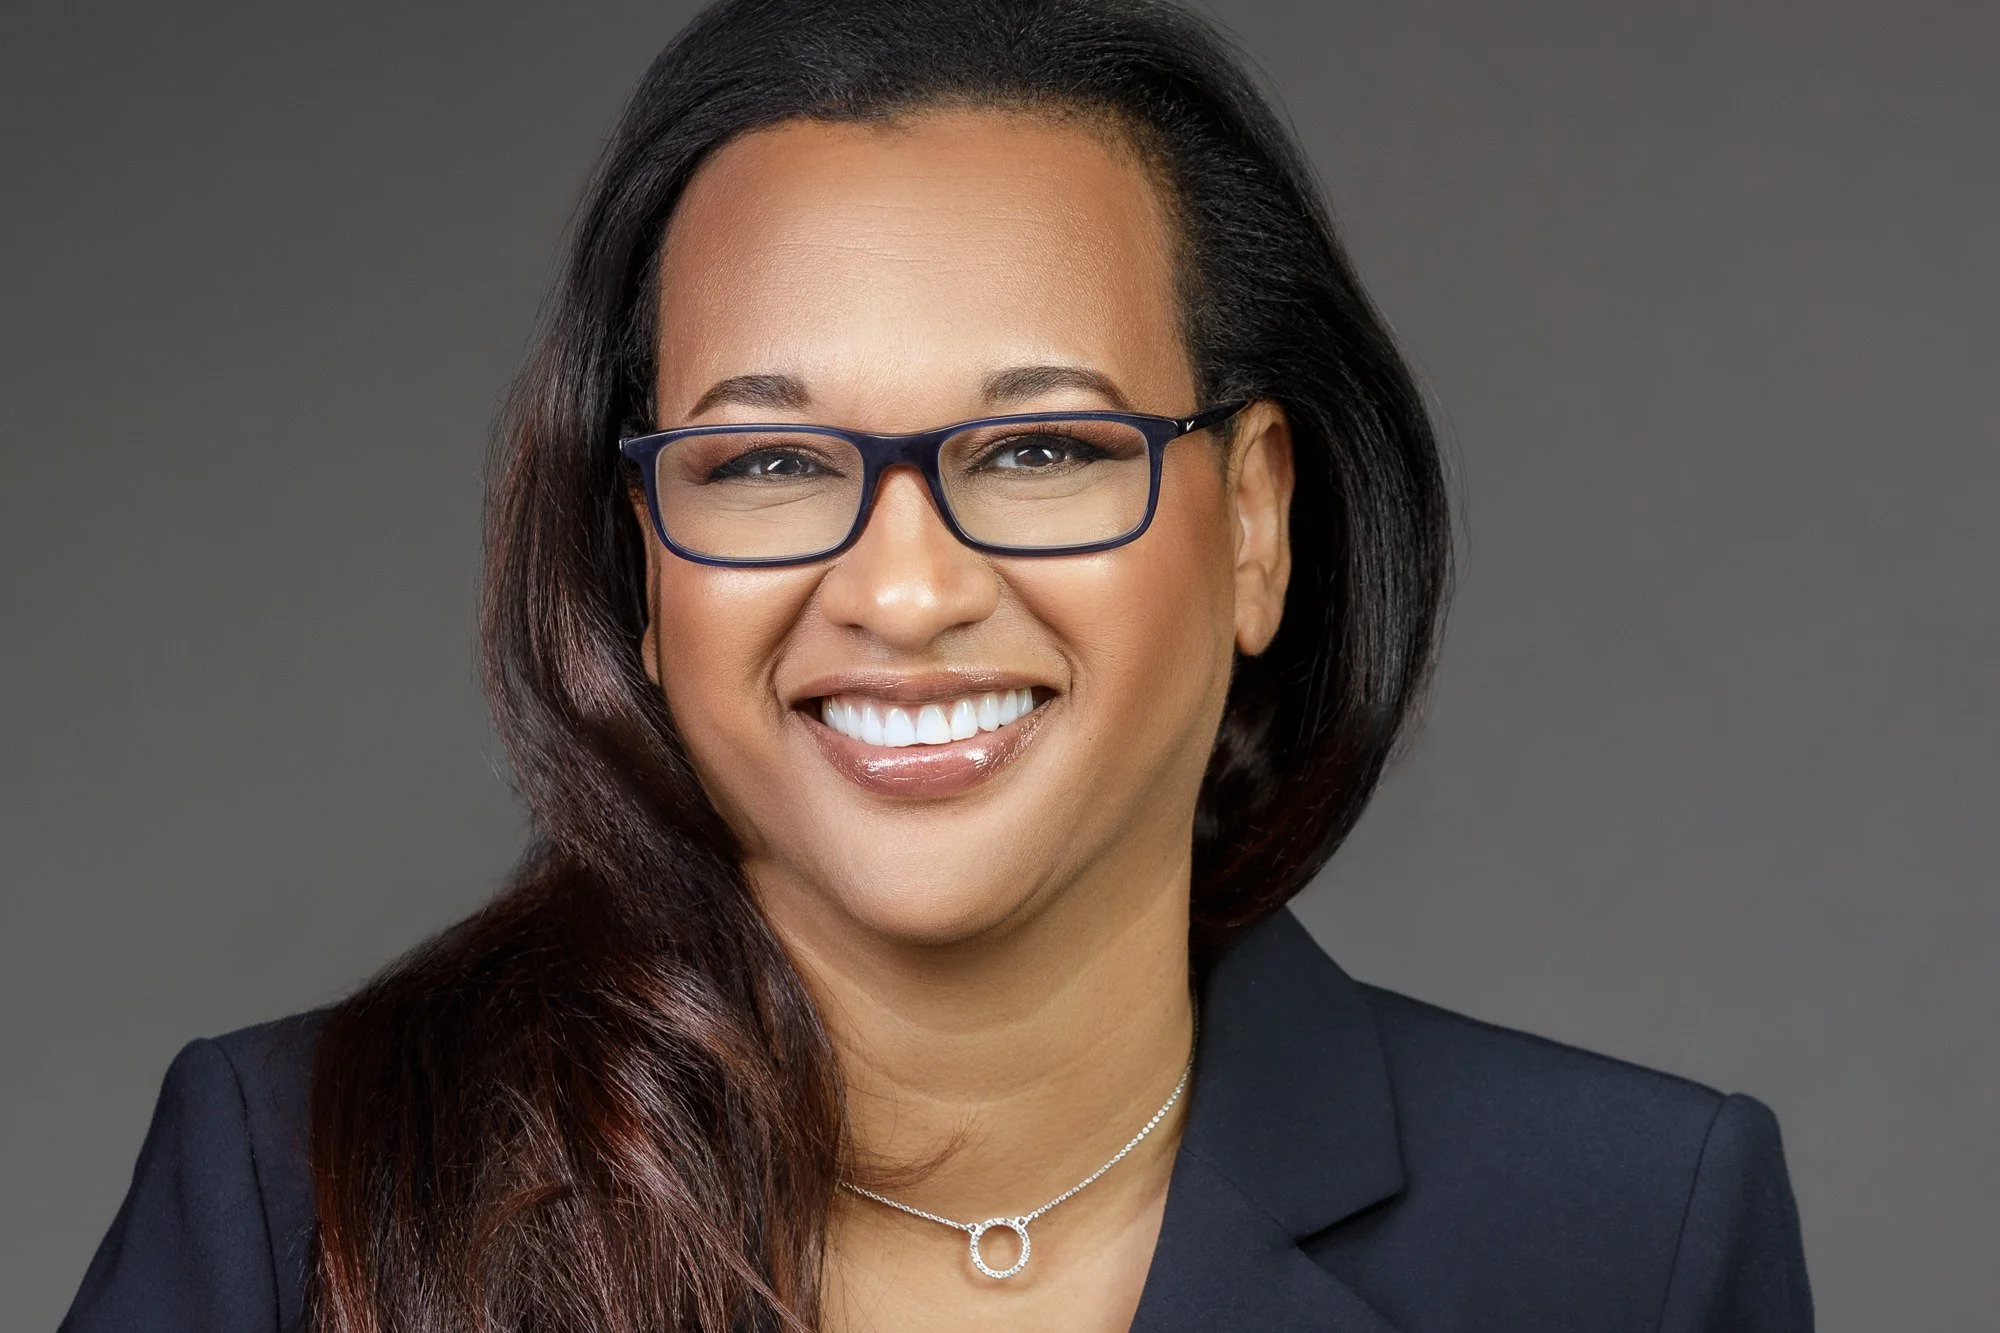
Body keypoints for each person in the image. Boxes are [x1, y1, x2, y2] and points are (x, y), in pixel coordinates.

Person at [61, 1, 1813, 1329]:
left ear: (1258, 523)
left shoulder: (1625, 1229)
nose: (902, 593)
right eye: (766, 465)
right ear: (641, 562)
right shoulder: (299, 1183)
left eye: (1042, 450)